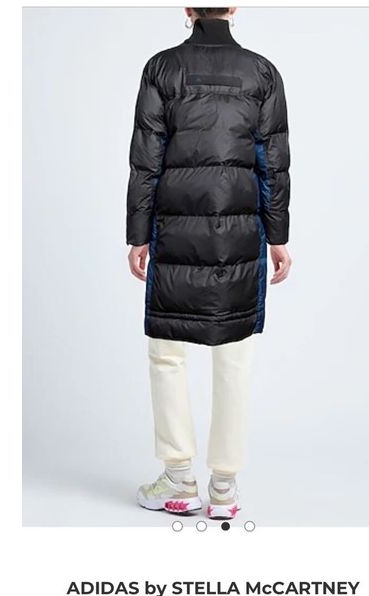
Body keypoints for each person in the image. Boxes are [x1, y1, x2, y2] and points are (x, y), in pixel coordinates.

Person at [127, 7, 291, 519]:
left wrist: (138, 235)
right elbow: (274, 163)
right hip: (241, 234)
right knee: (234, 358)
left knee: (167, 354)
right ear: (234, 7)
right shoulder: (262, 72)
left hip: (174, 231)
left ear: (188, 8)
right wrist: (278, 237)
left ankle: (179, 480)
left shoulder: (161, 68)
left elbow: (146, 160)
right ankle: (224, 489)